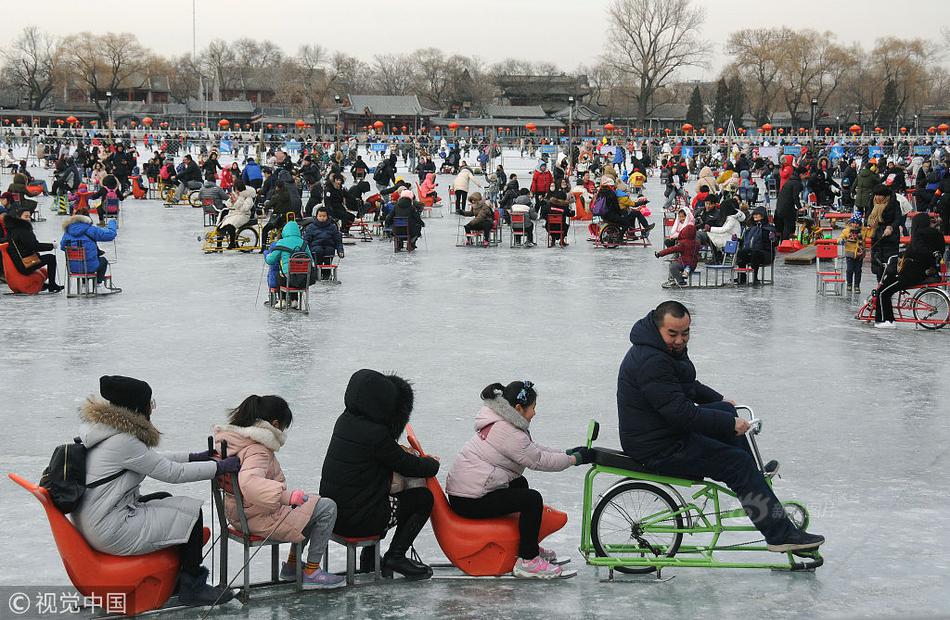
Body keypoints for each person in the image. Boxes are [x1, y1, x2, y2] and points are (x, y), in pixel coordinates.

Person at [617, 302, 825, 553]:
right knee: (737, 464)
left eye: (685, 333)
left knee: (726, 413)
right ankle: (779, 534)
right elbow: (680, 413)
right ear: (658, 327)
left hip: (662, 433)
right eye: (673, 334)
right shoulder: (652, 360)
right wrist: (728, 423)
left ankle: (754, 484)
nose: (680, 340)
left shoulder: (662, 349)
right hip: (657, 447)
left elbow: (686, 385)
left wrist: (722, 402)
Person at [73, 376, 239, 606]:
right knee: (190, 514)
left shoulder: (106, 432)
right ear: (137, 407)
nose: (151, 409)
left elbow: (151, 460)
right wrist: (219, 467)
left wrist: (195, 457)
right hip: (109, 527)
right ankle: (192, 587)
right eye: (149, 404)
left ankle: (176, 578)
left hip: (96, 517)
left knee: (164, 499)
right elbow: (172, 473)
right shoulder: (123, 441)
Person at [445, 381, 590, 579]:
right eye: (533, 408)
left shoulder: (502, 421)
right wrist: (574, 460)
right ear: (519, 408)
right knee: (531, 500)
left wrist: (565, 453)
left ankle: (524, 545)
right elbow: (537, 460)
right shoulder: (507, 431)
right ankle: (528, 560)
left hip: (468, 492)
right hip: (470, 501)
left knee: (519, 484)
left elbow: (532, 448)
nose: (535, 413)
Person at [213, 395, 346, 590]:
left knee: (312, 503)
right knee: (326, 507)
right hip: (259, 517)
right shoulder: (257, 450)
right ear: (275, 424)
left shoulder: (235, 442)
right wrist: (286, 496)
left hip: (241, 514)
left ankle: (293, 565)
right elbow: (249, 484)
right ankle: (312, 570)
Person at [319, 369, 441, 581]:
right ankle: (396, 555)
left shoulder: (345, 420)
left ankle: (369, 558)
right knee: (422, 498)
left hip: (334, 513)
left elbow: (382, 457)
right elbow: (410, 466)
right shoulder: (376, 435)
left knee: (377, 497)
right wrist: (431, 463)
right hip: (357, 520)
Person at [873, 213, 946, 328]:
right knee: (887, 286)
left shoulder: (919, 235)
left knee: (883, 292)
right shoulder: (938, 235)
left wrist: (904, 255)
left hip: (911, 273)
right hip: (927, 272)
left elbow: (917, 250)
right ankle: (887, 319)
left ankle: (886, 320)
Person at [2, 206, 62, 292]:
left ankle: (47, 284)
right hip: (25, 264)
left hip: (20, 262)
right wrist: (51, 246)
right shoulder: (22, 230)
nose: (28, 219)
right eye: (26, 216)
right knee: (51, 258)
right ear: (19, 217)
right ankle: (52, 284)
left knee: (46, 260)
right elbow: (34, 246)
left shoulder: (13, 229)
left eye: (29, 216)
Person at [60, 208, 118, 285]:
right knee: (103, 260)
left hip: (72, 268)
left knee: (86, 258)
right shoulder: (91, 230)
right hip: (89, 267)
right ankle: (98, 281)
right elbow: (110, 235)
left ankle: (85, 282)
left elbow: (63, 247)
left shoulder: (67, 232)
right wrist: (112, 223)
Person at [867, 186, 904, 282]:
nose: (878, 197)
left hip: (890, 237)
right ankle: (879, 286)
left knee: (890, 265)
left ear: (886, 196)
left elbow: (898, 219)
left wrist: (890, 227)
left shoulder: (894, 204)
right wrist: (870, 223)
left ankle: (888, 286)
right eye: (877, 195)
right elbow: (867, 216)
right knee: (878, 265)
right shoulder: (872, 202)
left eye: (881, 195)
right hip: (876, 235)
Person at [735, 206, 776, 285]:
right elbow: (744, 242)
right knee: (741, 253)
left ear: (763, 215)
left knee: (755, 253)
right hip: (753, 252)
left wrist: (772, 238)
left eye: (757, 214)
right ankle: (742, 277)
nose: (755, 216)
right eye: (754, 214)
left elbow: (774, 243)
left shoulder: (768, 228)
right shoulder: (751, 229)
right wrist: (738, 240)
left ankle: (755, 278)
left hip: (766, 254)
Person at [303, 207, 345, 277]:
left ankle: (326, 273)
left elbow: (338, 240)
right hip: (316, 247)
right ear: (316, 216)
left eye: (324, 216)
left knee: (329, 251)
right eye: (320, 216)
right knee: (318, 251)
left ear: (327, 216)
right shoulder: (311, 227)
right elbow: (307, 239)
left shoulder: (332, 227)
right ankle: (316, 272)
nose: (322, 218)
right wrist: (304, 250)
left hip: (329, 246)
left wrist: (340, 250)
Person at [216, 180, 256, 250]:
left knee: (230, 226)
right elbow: (228, 204)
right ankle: (219, 245)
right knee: (220, 227)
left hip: (243, 215)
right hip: (233, 214)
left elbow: (245, 209)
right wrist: (231, 201)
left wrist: (236, 202)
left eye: (238, 190)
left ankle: (232, 243)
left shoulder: (248, 197)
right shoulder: (235, 194)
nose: (236, 192)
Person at [839, 215, 871, 293]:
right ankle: (849, 284)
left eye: (857, 223)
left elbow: (870, 234)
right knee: (849, 270)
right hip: (850, 253)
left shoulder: (863, 231)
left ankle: (857, 285)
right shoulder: (846, 231)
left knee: (858, 270)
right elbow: (841, 237)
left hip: (859, 254)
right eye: (853, 222)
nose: (855, 225)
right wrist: (841, 240)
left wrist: (871, 227)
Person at [773, 168, 802, 241]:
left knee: (783, 226)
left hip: (779, 206)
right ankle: (785, 243)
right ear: (801, 175)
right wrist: (800, 208)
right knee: (787, 225)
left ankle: (782, 242)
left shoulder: (789, 181)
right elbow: (795, 196)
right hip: (786, 207)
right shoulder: (796, 183)